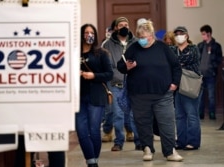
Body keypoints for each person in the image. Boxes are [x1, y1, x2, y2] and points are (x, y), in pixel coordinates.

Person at [117, 20, 183, 161]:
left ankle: (170, 151)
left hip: (163, 94)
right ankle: (147, 149)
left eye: (144, 37)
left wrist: (174, 84)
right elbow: (120, 65)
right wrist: (127, 67)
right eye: (139, 37)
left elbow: (176, 66)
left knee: (167, 123)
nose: (141, 40)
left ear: (152, 35)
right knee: (143, 123)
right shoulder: (133, 48)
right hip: (139, 95)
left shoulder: (163, 48)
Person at [76, 23, 113, 167]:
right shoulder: (74, 53)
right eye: (86, 32)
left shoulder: (101, 53)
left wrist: (93, 75)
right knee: (81, 131)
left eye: (91, 32)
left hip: (96, 96)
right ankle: (91, 161)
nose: (89, 35)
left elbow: (109, 74)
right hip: (78, 97)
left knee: (94, 130)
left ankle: (93, 162)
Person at [102, 16, 140, 151]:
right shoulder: (107, 44)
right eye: (121, 25)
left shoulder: (136, 42)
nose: (124, 27)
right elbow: (107, 65)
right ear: (116, 28)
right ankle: (118, 142)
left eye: (126, 24)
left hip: (133, 83)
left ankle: (138, 141)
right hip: (115, 83)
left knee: (133, 114)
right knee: (117, 114)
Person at [170, 26, 202, 151]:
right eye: (176, 34)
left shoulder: (194, 48)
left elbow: (190, 58)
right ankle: (181, 141)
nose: (179, 36)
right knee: (179, 116)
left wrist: (176, 62)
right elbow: (171, 60)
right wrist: (179, 62)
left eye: (181, 33)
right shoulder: (173, 49)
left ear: (187, 35)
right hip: (178, 86)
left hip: (191, 86)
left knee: (192, 114)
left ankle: (193, 142)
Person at [197, 25, 223, 120]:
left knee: (211, 95)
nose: (202, 36)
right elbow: (197, 59)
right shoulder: (200, 45)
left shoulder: (216, 46)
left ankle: (212, 113)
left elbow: (219, 59)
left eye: (203, 34)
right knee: (200, 96)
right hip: (200, 75)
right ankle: (200, 113)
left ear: (209, 33)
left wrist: (212, 67)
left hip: (211, 74)